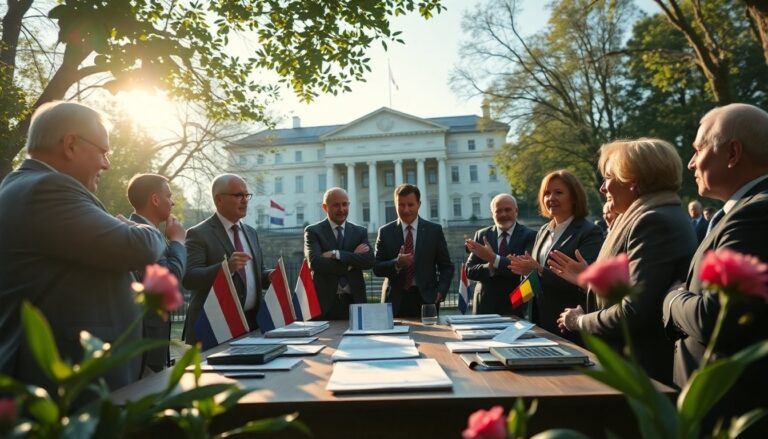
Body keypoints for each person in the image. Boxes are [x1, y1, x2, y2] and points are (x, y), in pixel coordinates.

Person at [0, 101, 166, 393]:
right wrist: (142, 228)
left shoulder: (26, 185)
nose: (107, 164)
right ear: (71, 144)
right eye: (103, 151)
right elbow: (138, 247)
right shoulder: (48, 189)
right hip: (66, 385)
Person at [551, 139, 697, 386]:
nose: (603, 188)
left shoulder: (652, 221)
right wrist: (591, 281)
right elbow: (641, 289)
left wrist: (579, 321)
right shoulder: (645, 216)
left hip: (642, 372)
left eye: (609, 177)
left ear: (633, 181)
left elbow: (635, 311)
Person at [663, 103, 768, 435]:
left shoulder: (755, 214)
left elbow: (716, 317)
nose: (692, 162)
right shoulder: (740, 212)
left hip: (730, 412)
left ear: (732, 152)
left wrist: (672, 299)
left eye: (697, 149)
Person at [506, 171, 603, 344]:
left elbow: (584, 284)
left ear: (574, 197)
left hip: (569, 324)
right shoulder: (543, 231)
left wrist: (539, 270)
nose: (551, 198)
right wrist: (525, 271)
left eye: (558, 192)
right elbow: (536, 276)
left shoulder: (589, 233)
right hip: (538, 322)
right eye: (546, 193)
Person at [183, 174, 271, 344]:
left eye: (246, 195)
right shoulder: (198, 234)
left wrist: (269, 276)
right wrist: (226, 268)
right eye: (238, 195)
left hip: (252, 325)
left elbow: (257, 273)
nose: (245, 200)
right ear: (219, 200)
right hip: (214, 329)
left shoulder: (251, 232)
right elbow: (189, 278)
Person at [126, 173, 187, 374]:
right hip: (145, 347)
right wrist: (178, 241)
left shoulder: (142, 229)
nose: (173, 202)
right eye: (169, 196)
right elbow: (168, 279)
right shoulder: (141, 233)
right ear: (155, 199)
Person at [374, 184, 454, 318]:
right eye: (401, 205)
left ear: (419, 204)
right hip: (395, 300)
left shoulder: (434, 231)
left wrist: (441, 291)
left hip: (427, 299)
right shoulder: (385, 232)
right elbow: (376, 267)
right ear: (395, 204)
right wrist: (397, 263)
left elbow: (446, 266)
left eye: (410, 205)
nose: (406, 210)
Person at [304, 187, 374, 319]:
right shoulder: (313, 232)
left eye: (344, 204)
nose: (342, 209)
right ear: (325, 207)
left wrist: (337, 254)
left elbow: (369, 260)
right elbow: (315, 263)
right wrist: (352, 261)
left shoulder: (360, 232)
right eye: (336, 205)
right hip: (324, 305)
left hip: (355, 302)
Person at [465, 194, 536, 316]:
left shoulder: (530, 236)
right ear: (492, 214)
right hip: (484, 306)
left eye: (507, 210)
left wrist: (493, 258)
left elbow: (523, 269)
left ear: (516, 211)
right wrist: (490, 266)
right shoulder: (482, 235)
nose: (503, 214)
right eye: (498, 211)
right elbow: (469, 271)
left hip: (515, 306)